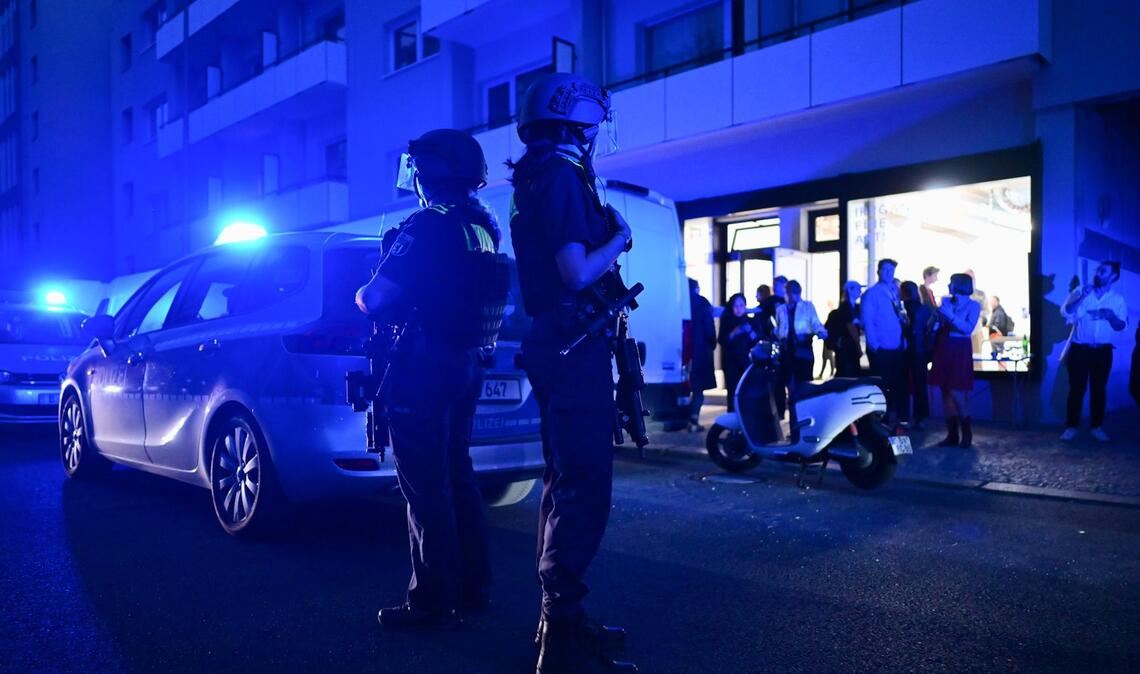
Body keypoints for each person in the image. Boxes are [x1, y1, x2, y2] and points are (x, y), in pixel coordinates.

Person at [507, 72, 637, 674]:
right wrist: (621, 237)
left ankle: (562, 618)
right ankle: (561, 638)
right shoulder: (558, 177)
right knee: (584, 485)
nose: (595, 135)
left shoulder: (544, 173)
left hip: (562, 344)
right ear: (576, 121)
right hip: (570, 344)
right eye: (592, 124)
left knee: (567, 484)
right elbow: (576, 271)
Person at [355, 129, 508, 629]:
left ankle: (432, 601)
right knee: (457, 475)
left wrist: (367, 283)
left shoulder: (426, 224)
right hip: (465, 363)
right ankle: (473, 586)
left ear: (428, 175)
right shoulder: (482, 225)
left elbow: (374, 299)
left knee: (424, 486)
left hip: (422, 367)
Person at [1060, 260, 1128, 442]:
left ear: (1113, 276)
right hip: (1080, 350)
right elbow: (1065, 312)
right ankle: (1071, 427)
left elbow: (1121, 326)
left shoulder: (1118, 300)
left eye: (1103, 271)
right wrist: (1082, 297)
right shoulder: (1081, 291)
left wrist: (1111, 316)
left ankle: (1096, 427)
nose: (1098, 273)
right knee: (1076, 389)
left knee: (1099, 390)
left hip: (1103, 352)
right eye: (1098, 270)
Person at [928, 273, 982, 448]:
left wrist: (950, 316)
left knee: (958, 391)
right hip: (944, 347)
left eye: (951, 282)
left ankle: (966, 434)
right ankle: (952, 435)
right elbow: (938, 325)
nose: (948, 285)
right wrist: (936, 318)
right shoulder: (947, 302)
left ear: (959, 285)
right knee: (945, 391)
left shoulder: (974, 305)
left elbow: (967, 328)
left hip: (959, 348)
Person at [861, 258, 907, 424]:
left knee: (895, 383)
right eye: (885, 270)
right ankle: (882, 420)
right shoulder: (872, 293)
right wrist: (875, 345)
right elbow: (868, 320)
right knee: (882, 384)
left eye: (892, 270)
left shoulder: (893, 291)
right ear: (878, 271)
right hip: (881, 347)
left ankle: (892, 418)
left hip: (895, 345)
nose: (889, 273)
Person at [774, 280, 827, 393]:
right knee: (788, 381)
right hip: (786, 350)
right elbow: (779, 328)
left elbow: (815, 323)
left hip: (803, 348)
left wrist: (821, 332)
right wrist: (778, 336)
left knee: (804, 382)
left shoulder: (807, 307)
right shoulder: (781, 309)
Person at [900, 281, 933, 430]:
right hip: (922, 350)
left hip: (909, 350)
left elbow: (909, 329)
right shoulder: (925, 308)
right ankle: (921, 417)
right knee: (920, 385)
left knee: (906, 384)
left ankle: (907, 417)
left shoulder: (905, 307)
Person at [718, 293, 758, 413]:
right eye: (736, 306)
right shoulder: (726, 320)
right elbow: (722, 340)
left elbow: (757, 340)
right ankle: (733, 416)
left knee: (746, 390)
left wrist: (749, 331)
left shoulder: (750, 321)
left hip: (747, 362)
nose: (739, 309)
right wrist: (734, 332)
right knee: (732, 390)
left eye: (741, 305)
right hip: (731, 362)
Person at [687, 278, 717, 432]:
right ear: (697, 288)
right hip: (700, 353)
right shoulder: (703, 304)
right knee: (698, 391)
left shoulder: (681, 302)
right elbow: (709, 329)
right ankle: (693, 421)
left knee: (688, 388)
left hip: (684, 352)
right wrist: (712, 343)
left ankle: (688, 420)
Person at [824, 280, 863, 377]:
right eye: (858, 289)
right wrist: (858, 346)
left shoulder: (853, 308)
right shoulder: (847, 308)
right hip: (847, 347)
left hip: (845, 347)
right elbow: (851, 327)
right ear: (850, 290)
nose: (860, 292)